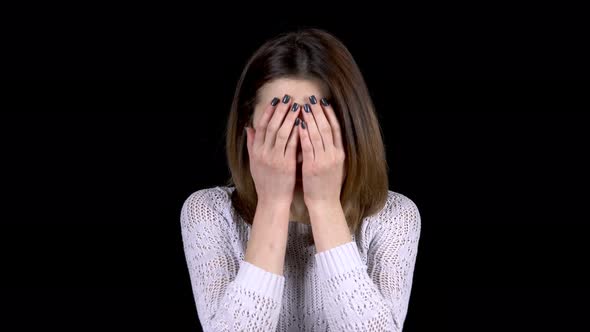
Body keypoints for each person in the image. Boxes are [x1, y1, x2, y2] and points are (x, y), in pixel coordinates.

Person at [180, 28, 421, 331]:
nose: (297, 141)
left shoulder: (393, 217)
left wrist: (323, 205)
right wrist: (273, 204)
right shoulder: (209, 213)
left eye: (316, 124)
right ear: (248, 129)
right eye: (278, 123)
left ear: (349, 128)